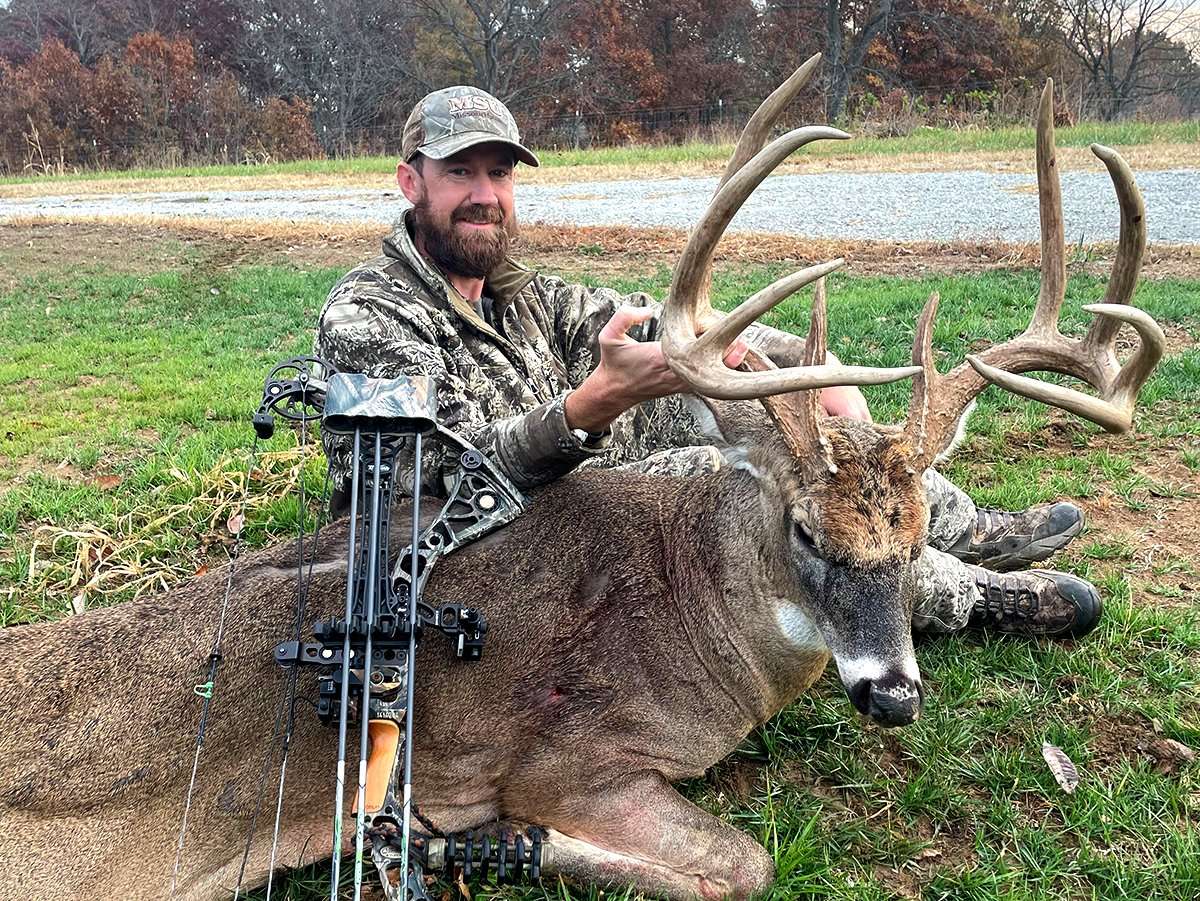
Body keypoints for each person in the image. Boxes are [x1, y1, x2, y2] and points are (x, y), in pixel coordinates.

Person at [314, 85, 1099, 640]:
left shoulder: (524, 294)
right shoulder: (369, 314)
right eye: (461, 173)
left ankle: (966, 527)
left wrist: (813, 380)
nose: (485, 194)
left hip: (594, 478)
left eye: (500, 173)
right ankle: (960, 595)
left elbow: (677, 329)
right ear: (410, 181)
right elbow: (417, 480)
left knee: (806, 438)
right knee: (746, 486)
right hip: (499, 545)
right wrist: (584, 409)